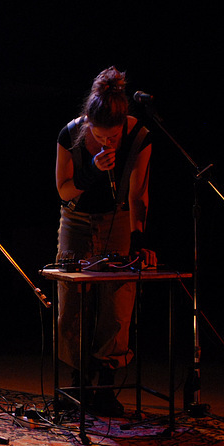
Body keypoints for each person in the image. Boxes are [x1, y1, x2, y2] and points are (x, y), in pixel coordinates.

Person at [54, 66, 156, 417]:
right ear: (88, 124)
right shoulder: (70, 135)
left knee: (116, 301)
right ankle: (77, 383)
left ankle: (106, 386)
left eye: (112, 138)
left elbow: (138, 194)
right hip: (77, 218)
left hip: (118, 219)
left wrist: (139, 240)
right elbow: (64, 191)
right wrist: (91, 170)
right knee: (73, 300)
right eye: (99, 137)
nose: (106, 143)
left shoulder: (140, 135)